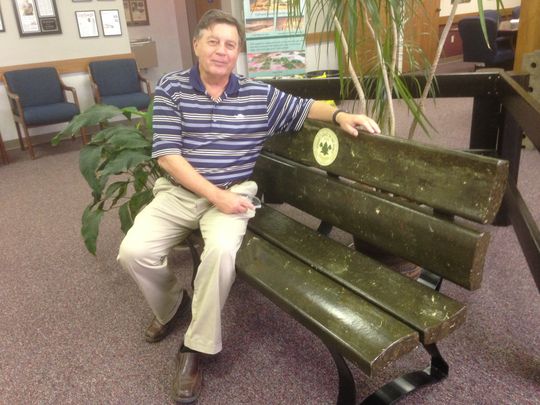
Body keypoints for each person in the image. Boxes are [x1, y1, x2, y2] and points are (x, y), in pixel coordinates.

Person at [117, 9, 380, 404]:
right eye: (214, 42)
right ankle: (173, 304)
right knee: (133, 252)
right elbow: (168, 155)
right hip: (181, 193)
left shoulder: (258, 94)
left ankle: (196, 348)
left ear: (238, 52)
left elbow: (305, 107)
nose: (222, 51)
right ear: (197, 45)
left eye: (231, 45)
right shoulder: (172, 87)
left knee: (221, 252)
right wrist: (214, 195)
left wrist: (342, 114)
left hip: (234, 192)